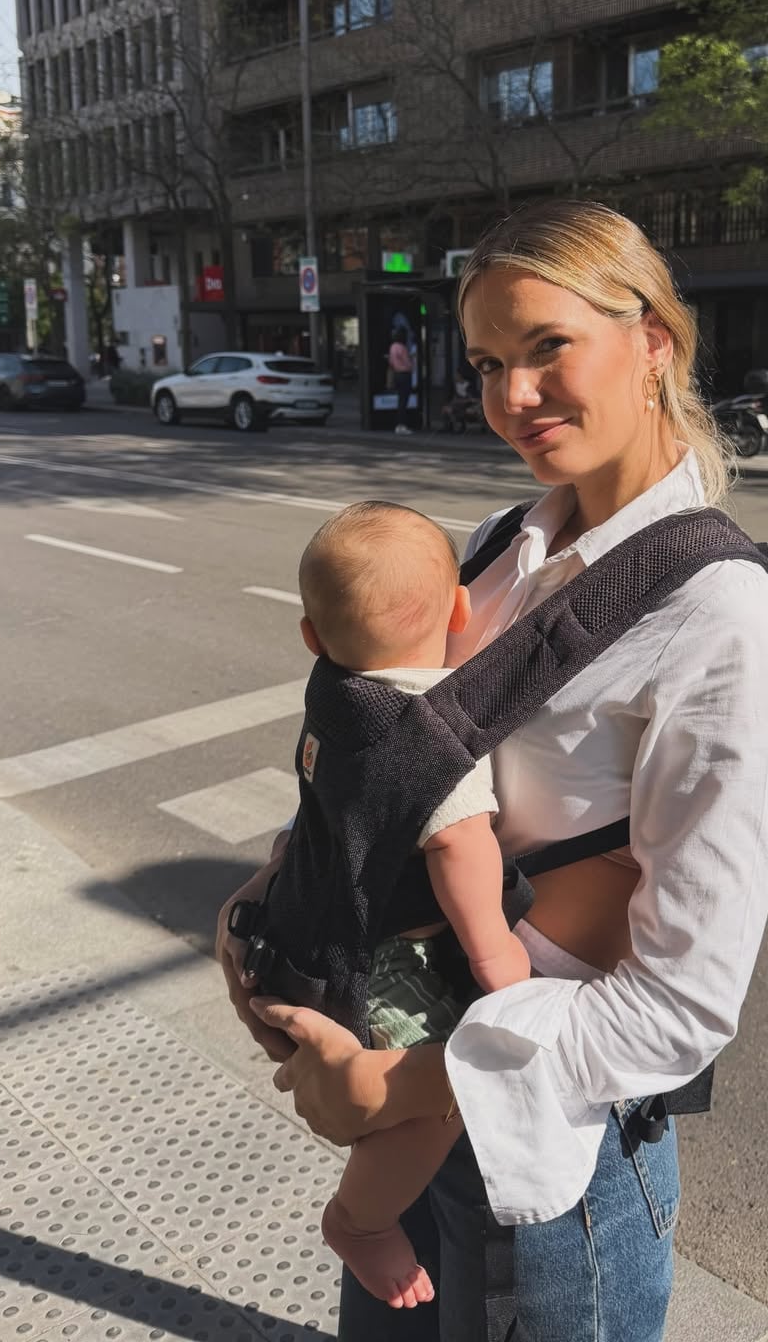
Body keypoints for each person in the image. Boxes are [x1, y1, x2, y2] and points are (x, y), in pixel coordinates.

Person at [218, 198, 768, 1342]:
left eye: (548, 348)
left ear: (653, 343)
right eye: (489, 363)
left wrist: (406, 1088)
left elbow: (684, 1008)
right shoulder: (494, 545)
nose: (513, 397)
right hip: (420, 1137)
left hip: (555, 1167)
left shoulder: (722, 616)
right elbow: (390, 766)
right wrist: (260, 903)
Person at [292, 502, 531, 1308]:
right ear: (462, 612)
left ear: (312, 639)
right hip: (390, 952)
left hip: (318, 917)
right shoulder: (430, 739)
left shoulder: (335, 696)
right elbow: (462, 848)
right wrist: (495, 949)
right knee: (433, 1103)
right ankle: (360, 1219)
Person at [389, 327, 415, 435]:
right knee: (404, 401)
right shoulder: (402, 347)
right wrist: (412, 361)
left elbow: (391, 361)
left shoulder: (393, 347)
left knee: (400, 400)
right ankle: (402, 425)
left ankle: (398, 425)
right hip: (405, 374)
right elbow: (407, 363)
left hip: (396, 374)